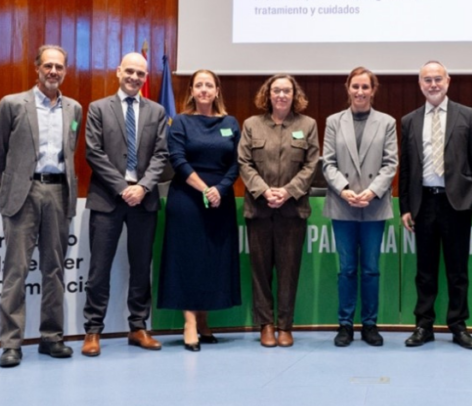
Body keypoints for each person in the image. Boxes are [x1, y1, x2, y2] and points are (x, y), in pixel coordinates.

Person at [0, 45, 82, 368]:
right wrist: (15, 184)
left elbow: (70, 151)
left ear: (65, 71)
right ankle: (11, 344)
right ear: (37, 68)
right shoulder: (12, 104)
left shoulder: (74, 109)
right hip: (23, 193)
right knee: (16, 270)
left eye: (59, 66)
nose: (53, 71)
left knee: (54, 270)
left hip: (58, 193)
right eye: (48, 65)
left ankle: (51, 337)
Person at [80, 52, 169, 356]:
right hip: (108, 198)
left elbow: (161, 155)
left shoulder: (156, 111)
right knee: (99, 268)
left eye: (140, 74)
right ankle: (92, 330)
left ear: (146, 77)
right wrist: (122, 187)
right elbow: (93, 153)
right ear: (118, 71)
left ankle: (138, 327)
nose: (134, 77)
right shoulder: (98, 108)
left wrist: (142, 187)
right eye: (129, 71)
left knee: (141, 267)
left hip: (144, 200)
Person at [399, 61, 472, 350]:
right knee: (424, 270)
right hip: (424, 203)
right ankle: (423, 325)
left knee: (457, 269)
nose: (433, 84)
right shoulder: (410, 120)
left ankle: (458, 325)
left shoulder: (467, 115)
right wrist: (405, 208)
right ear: (420, 84)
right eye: (427, 80)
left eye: (438, 79)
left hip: (457, 204)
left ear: (448, 81)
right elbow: (407, 167)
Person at [158, 69, 242, 352]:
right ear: (191, 90)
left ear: (217, 90)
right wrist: (204, 188)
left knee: (212, 260)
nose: (204, 90)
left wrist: (220, 189)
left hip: (221, 198)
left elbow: (237, 162)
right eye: (199, 85)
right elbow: (178, 159)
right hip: (188, 199)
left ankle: (205, 319)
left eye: (209, 85)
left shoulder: (230, 122)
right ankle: (190, 322)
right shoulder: (181, 121)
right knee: (188, 260)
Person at [238, 74, 319, 348]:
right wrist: (264, 191)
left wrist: (287, 192)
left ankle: (285, 325)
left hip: (292, 211)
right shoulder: (251, 125)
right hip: (259, 210)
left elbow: (311, 165)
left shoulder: (307, 125)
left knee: (288, 270)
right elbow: (244, 162)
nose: (282, 95)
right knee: (260, 272)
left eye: (287, 91)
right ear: (268, 94)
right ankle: (266, 325)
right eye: (276, 91)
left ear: (294, 95)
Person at [322, 67, 398, 347]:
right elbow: (327, 162)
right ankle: (345, 325)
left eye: (365, 87)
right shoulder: (333, 121)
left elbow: (391, 163)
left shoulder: (387, 122)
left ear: (373, 89)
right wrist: (344, 190)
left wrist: (371, 191)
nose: (360, 92)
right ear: (348, 87)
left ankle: (369, 324)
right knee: (347, 269)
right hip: (343, 205)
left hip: (373, 205)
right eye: (355, 86)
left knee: (370, 269)